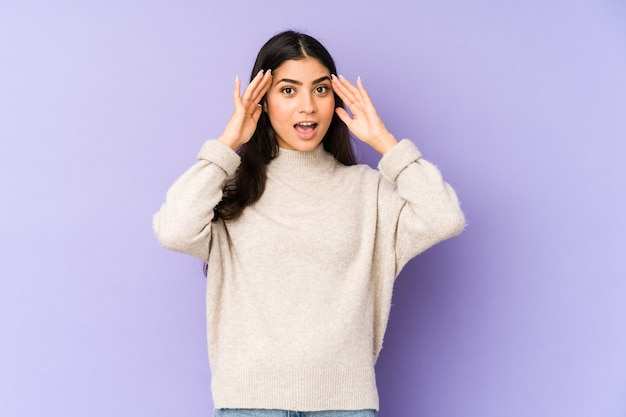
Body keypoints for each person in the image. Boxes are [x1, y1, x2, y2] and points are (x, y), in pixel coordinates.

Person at [153, 30, 465, 417]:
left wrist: (386, 142)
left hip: (345, 407)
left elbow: (444, 217)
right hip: (250, 404)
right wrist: (227, 142)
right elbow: (175, 229)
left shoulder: (368, 192)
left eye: (320, 90)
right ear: (262, 102)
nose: (307, 106)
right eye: (288, 90)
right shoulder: (231, 187)